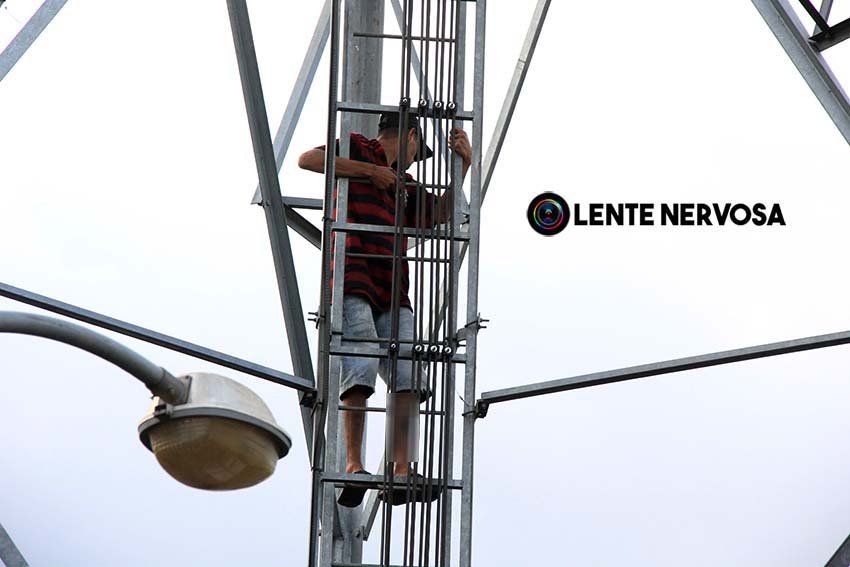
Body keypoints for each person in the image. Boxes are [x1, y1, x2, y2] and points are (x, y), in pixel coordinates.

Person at [298, 112, 472, 507]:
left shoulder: (405, 186)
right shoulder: (357, 146)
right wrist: (367, 173)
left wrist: (462, 167)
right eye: (416, 149)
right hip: (353, 276)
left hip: (394, 289)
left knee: (409, 373)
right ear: (409, 136)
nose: (414, 158)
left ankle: (401, 469)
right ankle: (356, 466)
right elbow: (308, 160)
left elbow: (441, 213)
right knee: (359, 367)